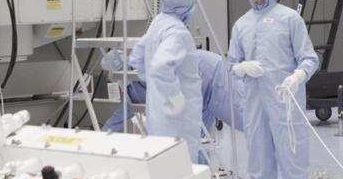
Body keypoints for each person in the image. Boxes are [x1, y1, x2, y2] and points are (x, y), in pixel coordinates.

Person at [228, 0, 319, 179]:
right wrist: (241, 67)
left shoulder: (289, 19)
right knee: (260, 164)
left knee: (293, 164)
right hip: (255, 107)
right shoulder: (241, 24)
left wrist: (297, 77)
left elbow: (309, 58)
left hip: (286, 105)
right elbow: (231, 64)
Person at [102, 48, 245, 151]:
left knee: (245, 120)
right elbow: (120, 115)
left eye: (111, 74)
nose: (110, 78)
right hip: (199, 95)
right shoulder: (132, 87)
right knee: (194, 148)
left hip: (212, 76)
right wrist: (97, 138)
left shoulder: (150, 69)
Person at [129, 0, 205, 160]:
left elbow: (137, 56)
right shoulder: (178, 32)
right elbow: (161, 66)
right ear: (185, 1)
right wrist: (174, 97)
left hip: (157, 114)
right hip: (180, 119)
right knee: (183, 169)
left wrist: (155, 86)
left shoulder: (159, 22)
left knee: (164, 169)